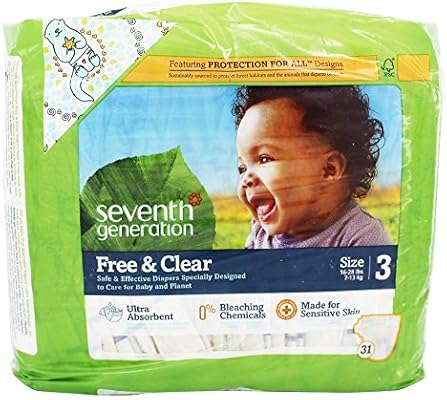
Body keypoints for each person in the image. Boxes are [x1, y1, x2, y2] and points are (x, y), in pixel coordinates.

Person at [233, 86, 393, 249]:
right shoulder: (259, 235)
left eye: (265, 159)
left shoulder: (362, 238)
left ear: (329, 169)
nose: (246, 179)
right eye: (242, 168)